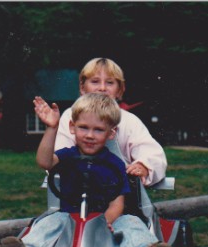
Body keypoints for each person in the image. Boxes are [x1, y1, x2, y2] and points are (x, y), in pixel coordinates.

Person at [1, 93, 174, 247]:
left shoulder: (115, 163)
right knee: (50, 222)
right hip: (68, 218)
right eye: (83, 128)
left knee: (130, 223)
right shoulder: (67, 155)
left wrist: (103, 223)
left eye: (98, 130)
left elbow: (117, 204)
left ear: (111, 133)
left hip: (106, 220)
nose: (90, 135)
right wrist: (51, 128)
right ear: (72, 128)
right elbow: (44, 161)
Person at [55, 57, 167, 186]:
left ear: (120, 90)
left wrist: (143, 166)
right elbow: (59, 155)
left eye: (109, 82)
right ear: (82, 87)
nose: (102, 88)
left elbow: (152, 153)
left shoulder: (129, 121)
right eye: (95, 81)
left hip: (120, 191)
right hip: (78, 187)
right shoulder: (70, 116)